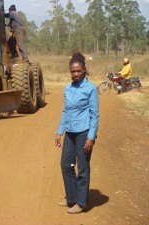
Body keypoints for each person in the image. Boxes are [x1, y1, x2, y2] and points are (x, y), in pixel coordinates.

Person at [55, 52, 99, 214]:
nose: (75, 74)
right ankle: (71, 198)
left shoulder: (91, 88)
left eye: (78, 71)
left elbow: (95, 115)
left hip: (84, 133)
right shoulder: (68, 88)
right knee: (66, 164)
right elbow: (66, 111)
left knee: (82, 167)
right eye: (73, 71)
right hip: (70, 133)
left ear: (84, 70)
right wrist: (60, 132)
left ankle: (81, 203)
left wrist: (91, 137)